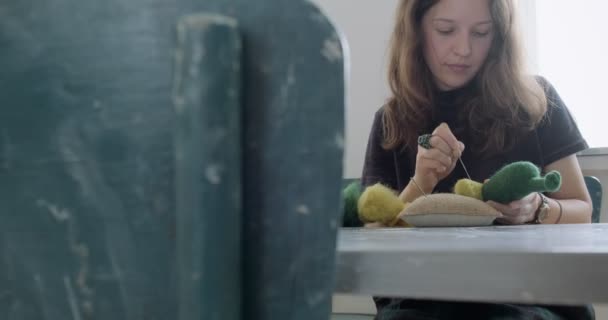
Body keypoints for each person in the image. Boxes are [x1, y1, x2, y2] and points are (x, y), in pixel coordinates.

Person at [361, 0, 594, 319]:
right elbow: (372, 246)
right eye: (445, 30)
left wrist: (536, 207)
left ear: (499, 35)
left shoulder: (536, 101)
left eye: (481, 33)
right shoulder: (391, 120)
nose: (464, 49)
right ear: (415, 29)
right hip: (424, 302)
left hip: (529, 299)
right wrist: (420, 184)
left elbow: (582, 209)